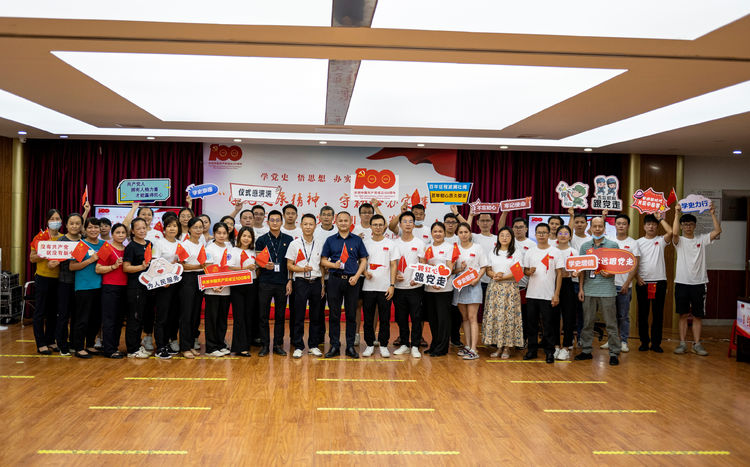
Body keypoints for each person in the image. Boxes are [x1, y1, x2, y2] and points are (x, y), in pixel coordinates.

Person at [672, 202, 721, 356]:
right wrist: (676, 213)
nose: (688, 227)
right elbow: (674, 233)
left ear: (694, 226)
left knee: (698, 315)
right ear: (681, 226)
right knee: (683, 315)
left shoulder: (702, 239)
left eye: (690, 224)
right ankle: (682, 343)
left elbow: (718, 231)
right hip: (681, 283)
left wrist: (712, 213)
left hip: (699, 283)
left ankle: (697, 344)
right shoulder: (678, 241)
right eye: (685, 224)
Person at [321, 211, 368, 358]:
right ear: (336, 222)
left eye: (345, 220)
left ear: (350, 222)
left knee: (351, 314)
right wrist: (333, 265)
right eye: (340, 221)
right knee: (334, 314)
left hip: (352, 280)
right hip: (334, 280)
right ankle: (334, 345)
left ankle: (350, 346)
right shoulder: (330, 240)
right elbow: (323, 260)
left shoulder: (357, 240)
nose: (343, 223)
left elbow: (364, 260)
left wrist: (357, 276)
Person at [575, 217, 621, 365]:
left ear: (604, 228)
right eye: (594, 226)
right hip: (588, 289)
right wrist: (581, 288)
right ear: (590, 228)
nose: (597, 229)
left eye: (600, 226)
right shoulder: (585, 246)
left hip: (607, 290)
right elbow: (582, 269)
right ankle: (586, 350)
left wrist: (611, 273)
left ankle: (614, 353)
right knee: (587, 322)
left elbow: (618, 266)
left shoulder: (613, 245)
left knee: (611, 324)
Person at [285, 213, 325, 358]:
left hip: (316, 282)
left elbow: (322, 266)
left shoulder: (320, 244)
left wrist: (322, 285)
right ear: (301, 225)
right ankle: (298, 346)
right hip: (300, 282)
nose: (308, 227)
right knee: (299, 315)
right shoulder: (294, 244)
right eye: (305, 224)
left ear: (315, 226)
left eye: (311, 224)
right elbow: (289, 265)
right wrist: (302, 269)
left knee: (316, 316)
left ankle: (313, 345)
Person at [255, 210, 293, 357]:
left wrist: (289, 280)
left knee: (280, 315)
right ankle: (264, 345)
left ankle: (278, 344)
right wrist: (264, 265)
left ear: (282, 222)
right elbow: (258, 261)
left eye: (278, 220)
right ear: (268, 222)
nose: (275, 222)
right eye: (272, 220)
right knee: (263, 315)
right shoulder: (262, 239)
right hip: (265, 282)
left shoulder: (289, 239)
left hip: (282, 282)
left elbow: (290, 263)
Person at [522, 223, 561, 363]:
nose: (541, 235)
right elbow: (525, 271)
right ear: (535, 234)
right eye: (539, 232)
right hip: (531, 294)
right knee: (531, 324)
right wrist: (529, 272)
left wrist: (556, 294)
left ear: (549, 234)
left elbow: (559, 274)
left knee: (548, 325)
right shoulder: (530, 251)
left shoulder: (555, 251)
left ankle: (549, 352)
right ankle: (532, 350)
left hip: (548, 294)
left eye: (544, 232)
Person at [483, 226, 524, 359]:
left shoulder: (516, 252)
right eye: (502, 235)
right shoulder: (493, 251)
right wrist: (494, 275)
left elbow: (518, 273)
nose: (504, 238)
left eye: (507, 235)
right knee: (497, 317)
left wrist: (503, 277)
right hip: (494, 288)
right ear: (498, 237)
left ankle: (507, 347)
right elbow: (488, 270)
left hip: (510, 288)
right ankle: (498, 346)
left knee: (509, 317)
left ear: (512, 238)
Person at [602, 213, 640, 353]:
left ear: (628, 226)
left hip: (624, 285)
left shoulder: (633, 243)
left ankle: (623, 341)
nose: (621, 226)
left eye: (624, 224)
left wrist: (627, 283)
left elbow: (635, 265)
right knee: (610, 316)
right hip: (609, 285)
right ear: (615, 225)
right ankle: (611, 340)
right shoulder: (609, 241)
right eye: (618, 223)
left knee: (623, 316)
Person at [635, 212, 673, 352]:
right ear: (644, 226)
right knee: (643, 315)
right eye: (648, 224)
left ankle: (656, 344)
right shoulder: (637, 242)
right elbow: (633, 262)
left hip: (659, 282)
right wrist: (637, 277)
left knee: (658, 315)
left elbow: (671, 232)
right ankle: (644, 342)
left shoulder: (661, 240)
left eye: (654, 224)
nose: (651, 227)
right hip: (642, 282)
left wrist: (660, 218)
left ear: (657, 226)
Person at [361, 214, 398, 358]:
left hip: (385, 287)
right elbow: (361, 262)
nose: (378, 227)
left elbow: (393, 265)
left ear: (384, 227)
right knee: (368, 318)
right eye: (375, 225)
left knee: (384, 318)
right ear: (370, 226)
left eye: (380, 225)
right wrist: (364, 272)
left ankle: (383, 345)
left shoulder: (391, 244)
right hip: (368, 287)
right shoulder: (365, 243)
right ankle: (369, 344)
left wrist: (392, 285)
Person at [391, 211, 426, 358]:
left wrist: (418, 278)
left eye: (410, 221)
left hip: (415, 288)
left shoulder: (419, 243)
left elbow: (423, 264)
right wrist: (394, 276)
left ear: (414, 224)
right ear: (400, 224)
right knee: (401, 318)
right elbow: (391, 264)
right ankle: (405, 344)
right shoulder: (394, 243)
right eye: (404, 221)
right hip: (399, 288)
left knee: (416, 318)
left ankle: (415, 345)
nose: (408, 224)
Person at [69, 217, 104, 359]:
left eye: (96, 227)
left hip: (100, 286)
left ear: (100, 229)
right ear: (85, 229)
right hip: (84, 287)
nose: (93, 230)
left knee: (95, 319)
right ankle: (78, 347)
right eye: (90, 227)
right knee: (82, 318)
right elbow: (72, 267)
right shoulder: (81, 245)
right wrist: (90, 260)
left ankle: (90, 344)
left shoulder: (103, 245)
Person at [29, 209, 64, 354]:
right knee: (40, 311)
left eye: (57, 219)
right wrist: (45, 251)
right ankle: (41, 343)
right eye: (52, 219)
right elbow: (32, 258)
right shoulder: (40, 237)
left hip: (58, 279)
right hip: (43, 277)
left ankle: (50, 340)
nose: (55, 221)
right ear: (47, 221)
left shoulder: (63, 238)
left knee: (53, 312)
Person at [453, 222, 489, 360]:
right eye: (461, 232)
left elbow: (483, 266)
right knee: (465, 318)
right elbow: (452, 269)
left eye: (466, 232)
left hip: (474, 285)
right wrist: (460, 269)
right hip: (460, 285)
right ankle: (467, 346)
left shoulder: (477, 247)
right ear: (457, 234)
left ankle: (474, 349)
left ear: (470, 233)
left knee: (473, 317)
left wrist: (477, 279)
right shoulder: (455, 248)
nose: (463, 235)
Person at [422, 221, 456, 357]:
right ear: (431, 233)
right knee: (433, 319)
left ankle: (442, 348)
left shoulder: (449, 247)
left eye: (440, 231)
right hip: (429, 288)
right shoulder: (427, 247)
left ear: (444, 233)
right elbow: (424, 266)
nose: (437, 234)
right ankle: (435, 345)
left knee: (443, 319)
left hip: (444, 289)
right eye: (435, 231)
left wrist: (440, 282)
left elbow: (449, 267)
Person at [122, 218, 154, 359]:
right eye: (138, 228)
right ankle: (132, 349)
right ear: (133, 231)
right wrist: (141, 267)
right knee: (134, 318)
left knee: (141, 318)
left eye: (144, 228)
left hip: (147, 287)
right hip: (135, 287)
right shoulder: (131, 247)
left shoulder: (149, 244)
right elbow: (126, 267)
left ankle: (137, 345)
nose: (142, 230)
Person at [95, 223, 127, 358]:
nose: (121, 235)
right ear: (112, 234)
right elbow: (98, 268)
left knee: (119, 320)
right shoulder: (106, 247)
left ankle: (114, 347)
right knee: (109, 319)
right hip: (110, 287)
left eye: (123, 233)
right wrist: (113, 267)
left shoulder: (126, 249)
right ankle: (108, 349)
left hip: (124, 287)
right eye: (118, 232)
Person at [152, 216, 182, 357]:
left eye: (174, 226)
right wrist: (164, 280)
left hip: (177, 284)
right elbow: (155, 263)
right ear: (164, 229)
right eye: (169, 226)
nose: (172, 228)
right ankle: (160, 347)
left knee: (172, 316)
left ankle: (167, 343)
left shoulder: (180, 244)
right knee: (162, 317)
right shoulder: (159, 243)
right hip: (163, 285)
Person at [54, 212, 84, 355]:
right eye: (71, 223)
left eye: (78, 223)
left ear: (81, 226)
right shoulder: (61, 241)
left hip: (81, 283)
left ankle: (74, 343)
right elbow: (52, 261)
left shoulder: (84, 241)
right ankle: (62, 345)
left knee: (77, 316)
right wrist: (52, 263)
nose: (74, 226)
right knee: (64, 315)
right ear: (66, 225)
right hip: (65, 282)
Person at [177, 217, 206, 358]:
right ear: (189, 229)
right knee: (186, 314)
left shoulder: (202, 244)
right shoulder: (184, 245)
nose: (198, 230)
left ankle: (190, 345)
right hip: (188, 279)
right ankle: (184, 347)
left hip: (200, 278)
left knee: (195, 313)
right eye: (195, 227)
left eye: (200, 227)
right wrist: (198, 266)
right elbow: (181, 265)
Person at [203, 222, 233, 357]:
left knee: (222, 319)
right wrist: (213, 285)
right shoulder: (209, 248)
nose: (221, 236)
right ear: (214, 234)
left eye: (224, 233)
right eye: (219, 233)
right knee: (212, 319)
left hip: (226, 289)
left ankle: (221, 344)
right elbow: (207, 268)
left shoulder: (230, 247)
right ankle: (210, 348)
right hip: (212, 290)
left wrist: (225, 283)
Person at [229, 226, 258, 357]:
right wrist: (245, 268)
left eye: (249, 236)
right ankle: (240, 347)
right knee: (239, 316)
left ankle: (247, 343)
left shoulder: (254, 252)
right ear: (239, 237)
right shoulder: (233, 251)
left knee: (249, 315)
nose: (246, 239)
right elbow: (229, 268)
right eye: (244, 236)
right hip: (237, 285)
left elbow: (257, 268)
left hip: (252, 285)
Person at [567, 209, 591, 346]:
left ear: (587, 224)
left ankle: (581, 338)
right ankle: (569, 338)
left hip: (585, 281)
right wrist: (571, 216)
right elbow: (568, 231)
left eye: (582, 222)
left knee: (583, 313)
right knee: (569, 312)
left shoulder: (590, 240)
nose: (580, 224)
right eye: (577, 222)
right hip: (570, 281)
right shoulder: (569, 238)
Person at [552, 225, 576, 360]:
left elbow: (580, 271)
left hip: (568, 285)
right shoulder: (552, 250)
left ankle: (566, 347)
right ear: (556, 236)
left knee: (568, 317)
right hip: (553, 285)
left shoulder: (574, 251)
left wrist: (575, 273)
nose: (563, 235)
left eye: (566, 233)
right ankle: (556, 346)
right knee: (554, 316)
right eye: (560, 233)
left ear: (570, 236)